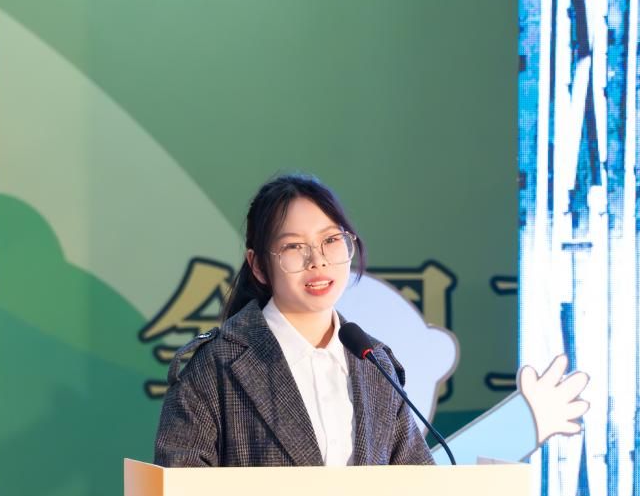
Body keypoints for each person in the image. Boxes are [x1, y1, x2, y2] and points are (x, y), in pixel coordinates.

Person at [154, 173, 434, 466]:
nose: (317, 260)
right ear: (258, 266)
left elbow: (419, 483)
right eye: (293, 246)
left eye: (331, 239)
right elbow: (180, 486)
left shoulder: (374, 363)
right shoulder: (215, 365)